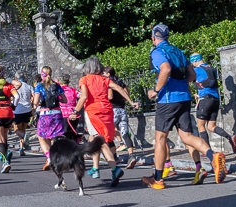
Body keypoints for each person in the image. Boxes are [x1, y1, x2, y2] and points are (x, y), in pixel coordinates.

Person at [140, 25, 227, 190]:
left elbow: (165, 69)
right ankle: (213, 157)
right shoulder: (178, 51)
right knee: (187, 136)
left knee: (160, 138)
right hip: (185, 98)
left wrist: (156, 90)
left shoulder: (158, 52)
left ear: (153, 38)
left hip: (167, 100)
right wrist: (180, 84)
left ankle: (158, 179)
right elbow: (192, 75)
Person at [70, 57, 139, 187]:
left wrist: (75, 111)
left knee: (100, 140)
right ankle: (95, 168)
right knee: (95, 139)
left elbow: (84, 96)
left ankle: (114, 168)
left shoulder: (84, 79)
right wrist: (131, 102)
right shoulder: (104, 79)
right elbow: (119, 88)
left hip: (93, 111)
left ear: (87, 68)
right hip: (107, 111)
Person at [102, 67, 139, 169]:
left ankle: (114, 157)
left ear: (108, 74)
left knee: (108, 134)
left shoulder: (108, 82)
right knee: (125, 133)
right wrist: (125, 100)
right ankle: (131, 155)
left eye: (104, 73)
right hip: (122, 110)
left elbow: (110, 96)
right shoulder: (119, 81)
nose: (103, 75)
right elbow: (126, 91)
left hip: (112, 110)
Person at [32, 66, 67, 170]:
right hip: (57, 114)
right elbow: (65, 100)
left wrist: (35, 105)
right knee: (54, 137)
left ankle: (49, 157)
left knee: (42, 137)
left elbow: (36, 102)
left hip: (45, 114)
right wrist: (56, 99)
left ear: (42, 74)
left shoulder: (39, 85)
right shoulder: (56, 85)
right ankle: (54, 158)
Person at [12, 72, 34, 156]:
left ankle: (24, 137)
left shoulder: (15, 86)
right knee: (23, 129)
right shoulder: (29, 86)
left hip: (17, 110)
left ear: (16, 78)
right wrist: (33, 106)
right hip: (27, 109)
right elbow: (34, 96)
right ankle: (21, 148)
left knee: (16, 130)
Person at [58, 74, 82, 144]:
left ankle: (67, 147)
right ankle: (75, 145)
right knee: (73, 132)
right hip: (74, 114)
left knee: (65, 133)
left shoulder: (59, 91)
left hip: (63, 114)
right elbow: (82, 96)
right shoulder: (73, 90)